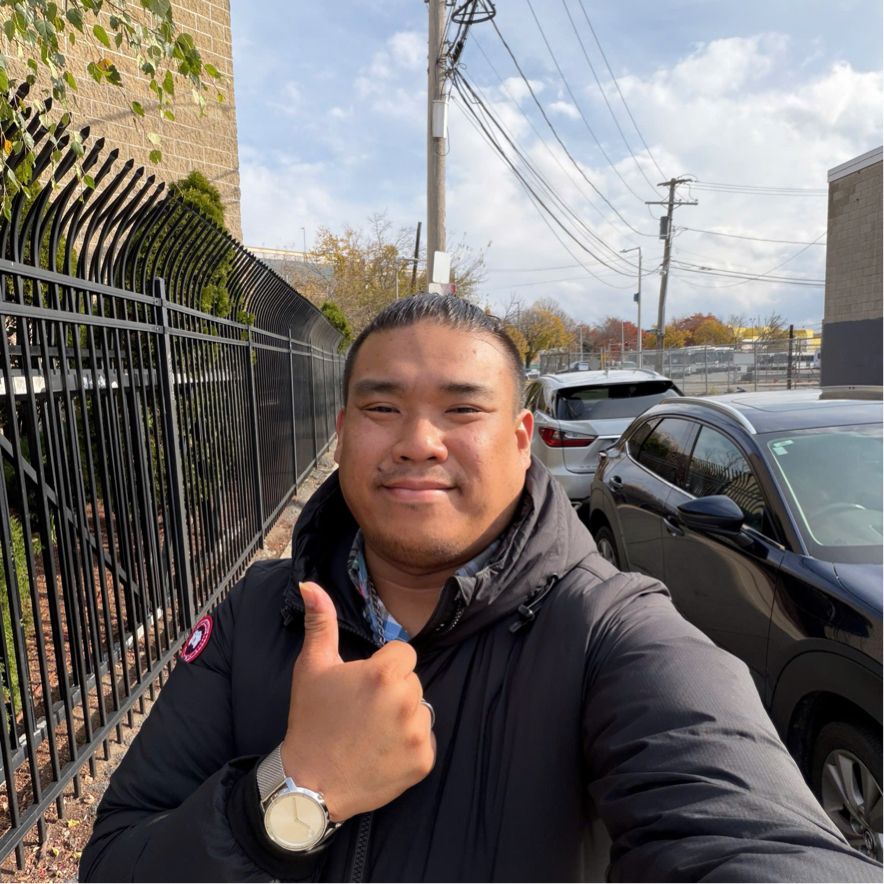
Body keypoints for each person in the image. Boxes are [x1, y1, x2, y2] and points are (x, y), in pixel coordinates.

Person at [80, 294, 880, 882]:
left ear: (522, 439)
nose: (418, 441)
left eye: (462, 410)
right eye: (382, 406)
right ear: (343, 433)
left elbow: (748, 840)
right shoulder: (258, 612)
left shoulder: (613, 635)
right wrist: (293, 793)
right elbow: (115, 860)